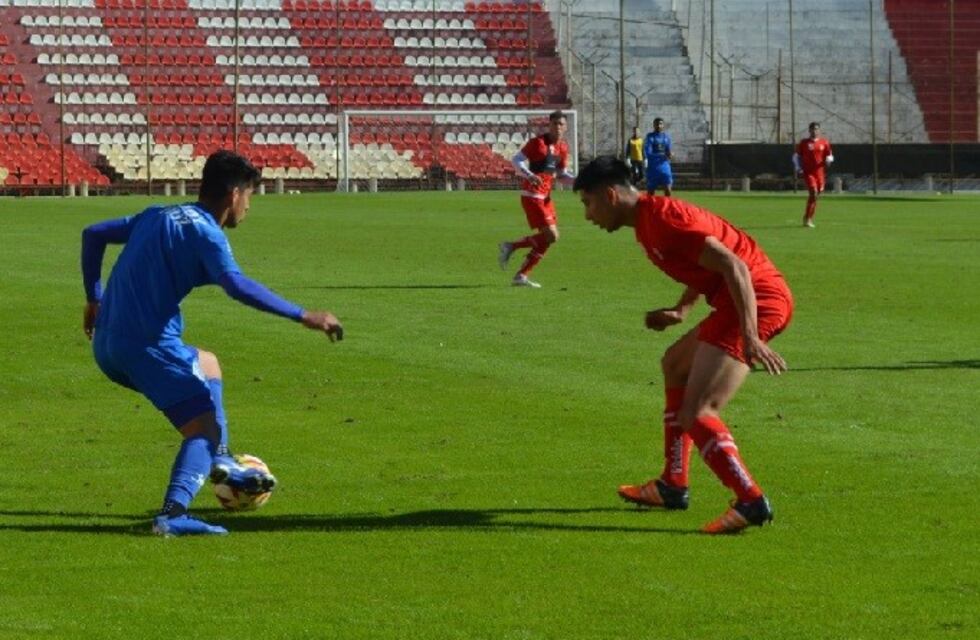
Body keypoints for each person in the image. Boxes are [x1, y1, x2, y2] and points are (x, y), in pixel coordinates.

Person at [81, 150, 344, 537]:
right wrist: (304, 315)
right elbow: (236, 286)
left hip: (106, 344)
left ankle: (219, 460)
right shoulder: (206, 233)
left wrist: (94, 298)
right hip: (146, 346)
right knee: (202, 429)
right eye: (251, 197)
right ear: (235, 194)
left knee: (207, 363)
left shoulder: (159, 214)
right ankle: (172, 514)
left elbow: (93, 234)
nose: (249, 207)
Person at [573, 156, 794, 534]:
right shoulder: (647, 222)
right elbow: (707, 263)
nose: (588, 214)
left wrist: (751, 335)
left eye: (588, 203)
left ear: (610, 195)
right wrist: (682, 309)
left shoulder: (663, 221)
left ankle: (750, 500)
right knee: (675, 364)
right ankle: (672, 485)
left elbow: (736, 267)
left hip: (758, 299)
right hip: (736, 299)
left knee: (699, 412)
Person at [498, 110, 575, 288]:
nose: (558, 127)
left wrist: (579, 181)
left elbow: (562, 175)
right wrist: (529, 175)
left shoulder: (563, 147)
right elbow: (517, 160)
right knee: (552, 236)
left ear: (566, 127)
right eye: (554, 123)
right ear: (549, 125)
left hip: (546, 197)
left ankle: (521, 275)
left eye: (561, 124)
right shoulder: (537, 143)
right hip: (532, 195)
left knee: (549, 238)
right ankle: (511, 247)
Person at [793, 122, 834, 228]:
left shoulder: (824, 142)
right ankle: (807, 219)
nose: (814, 131)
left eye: (816, 129)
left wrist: (829, 160)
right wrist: (798, 168)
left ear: (819, 130)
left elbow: (830, 155)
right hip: (808, 172)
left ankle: (809, 217)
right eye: (812, 129)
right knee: (813, 192)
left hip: (820, 173)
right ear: (809, 130)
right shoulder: (804, 143)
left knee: (815, 196)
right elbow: (796, 156)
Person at [643, 117, 673, 197]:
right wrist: (662, 155)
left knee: (668, 189)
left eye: (660, 124)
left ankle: (667, 207)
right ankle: (650, 208)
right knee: (650, 192)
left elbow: (668, 151)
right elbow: (648, 152)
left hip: (664, 166)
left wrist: (670, 155)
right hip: (653, 167)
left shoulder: (667, 138)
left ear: (663, 125)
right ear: (654, 125)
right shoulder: (650, 137)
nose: (659, 126)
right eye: (657, 124)